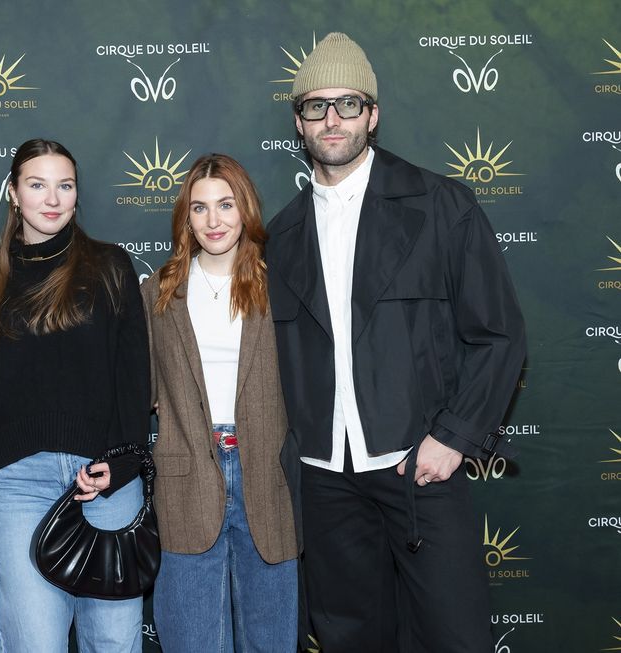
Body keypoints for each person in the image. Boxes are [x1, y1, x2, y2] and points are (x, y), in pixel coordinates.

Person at [266, 32, 527, 652]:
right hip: (326, 478)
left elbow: (499, 334)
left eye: (348, 104)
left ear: (372, 115)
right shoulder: (280, 235)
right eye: (316, 105)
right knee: (350, 638)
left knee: (452, 636)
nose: (332, 120)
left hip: (421, 469)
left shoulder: (441, 206)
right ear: (298, 122)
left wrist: (453, 438)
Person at [0, 139, 150, 652]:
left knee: (114, 643)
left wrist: (121, 465)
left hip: (107, 483)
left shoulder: (112, 266)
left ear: (77, 195)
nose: (52, 198)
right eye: (37, 184)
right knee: (34, 644)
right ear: (13, 194)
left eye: (64, 185)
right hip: (20, 485)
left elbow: (134, 378)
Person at [141, 154, 299, 652]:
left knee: (270, 640)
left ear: (245, 209)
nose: (214, 221)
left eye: (226, 205)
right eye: (200, 208)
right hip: (185, 478)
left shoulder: (280, 291)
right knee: (192, 642)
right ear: (185, 217)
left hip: (268, 477)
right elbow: (140, 390)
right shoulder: (159, 294)